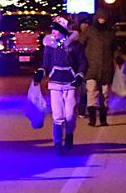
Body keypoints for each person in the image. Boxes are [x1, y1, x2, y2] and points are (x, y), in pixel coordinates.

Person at [34, 16, 87, 154]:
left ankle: (69, 136)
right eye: (52, 30)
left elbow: (82, 62)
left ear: (62, 30)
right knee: (57, 116)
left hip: (70, 84)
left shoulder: (75, 45)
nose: (53, 33)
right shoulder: (50, 46)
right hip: (55, 84)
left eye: (56, 30)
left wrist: (79, 75)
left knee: (70, 116)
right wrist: (41, 72)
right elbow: (46, 63)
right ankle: (57, 143)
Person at [79, 8, 115, 126]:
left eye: (104, 18)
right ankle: (92, 119)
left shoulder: (110, 33)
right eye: (100, 18)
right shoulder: (90, 31)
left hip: (106, 68)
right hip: (91, 67)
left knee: (104, 94)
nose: (102, 20)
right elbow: (80, 45)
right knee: (92, 92)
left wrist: (118, 59)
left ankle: (103, 119)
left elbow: (114, 49)